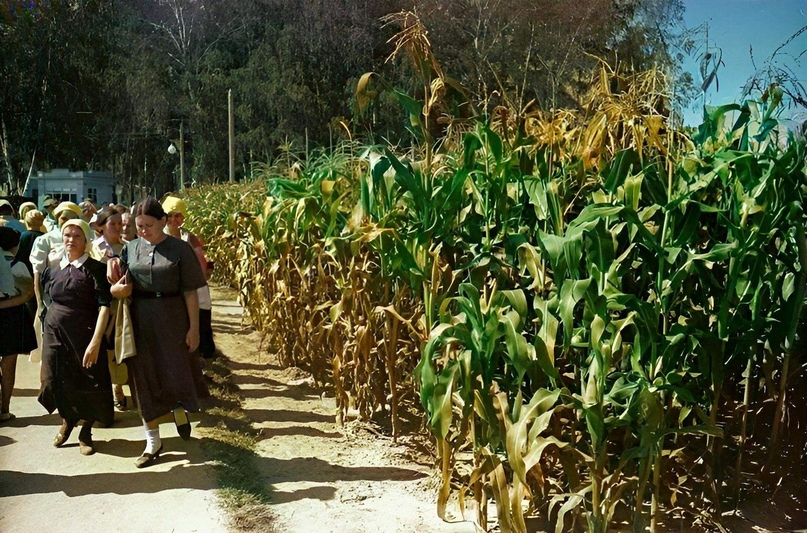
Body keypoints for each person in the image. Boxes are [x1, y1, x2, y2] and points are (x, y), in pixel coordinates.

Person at [108, 197, 208, 468]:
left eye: (149, 225)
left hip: (173, 317)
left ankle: (178, 409)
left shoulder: (180, 249)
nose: (142, 230)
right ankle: (152, 442)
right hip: (140, 320)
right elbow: (119, 277)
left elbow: (190, 292)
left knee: (175, 370)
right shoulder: (131, 249)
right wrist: (115, 282)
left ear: (163, 221)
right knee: (142, 378)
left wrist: (194, 329)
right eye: (138, 225)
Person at [38, 219, 113, 456]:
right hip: (54, 334)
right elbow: (47, 297)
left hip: (84, 336)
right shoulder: (53, 268)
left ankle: (85, 432)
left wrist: (96, 342)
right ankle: (67, 421)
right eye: (67, 235)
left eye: (77, 235)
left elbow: (104, 307)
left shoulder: (96, 269)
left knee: (87, 381)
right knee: (53, 379)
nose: (71, 240)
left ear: (86, 240)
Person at [162, 196, 216, 358]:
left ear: (183, 217)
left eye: (177, 215)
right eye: (169, 215)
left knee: (201, 315)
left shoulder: (190, 238)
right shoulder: (160, 238)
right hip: (172, 287)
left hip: (194, 285)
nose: (173, 219)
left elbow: (204, 261)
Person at [92, 206, 128, 410]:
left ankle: (119, 387)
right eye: (111, 223)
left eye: (119, 223)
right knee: (105, 348)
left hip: (123, 306)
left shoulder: (129, 247)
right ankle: (109, 390)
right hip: (101, 306)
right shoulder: (94, 248)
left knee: (120, 347)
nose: (116, 227)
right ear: (102, 226)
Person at [0, 227, 37, 423]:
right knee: (8, 364)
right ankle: (4, 409)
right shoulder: (17, 264)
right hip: (11, 316)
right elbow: (28, 294)